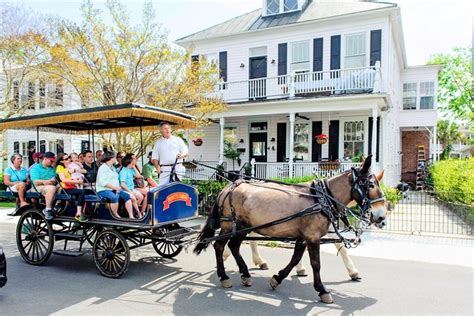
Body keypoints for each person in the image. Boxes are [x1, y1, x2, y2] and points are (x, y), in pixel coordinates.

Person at [96, 151, 134, 219]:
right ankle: (116, 215)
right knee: (114, 197)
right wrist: (114, 187)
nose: (115, 159)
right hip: (103, 190)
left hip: (114, 189)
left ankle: (131, 216)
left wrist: (122, 165)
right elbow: (102, 182)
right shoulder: (103, 168)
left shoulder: (112, 167)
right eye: (114, 157)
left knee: (127, 196)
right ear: (110, 158)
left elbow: (116, 172)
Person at [152, 122, 188, 187]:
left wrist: (181, 155)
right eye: (165, 128)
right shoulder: (158, 143)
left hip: (177, 168)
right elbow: (155, 157)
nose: (167, 130)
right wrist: (157, 167)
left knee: (177, 188)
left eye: (168, 128)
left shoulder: (178, 140)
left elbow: (186, 152)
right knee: (162, 189)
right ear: (161, 131)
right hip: (164, 169)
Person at [56, 153, 89, 222]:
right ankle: (78, 213)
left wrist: (75, 171)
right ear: (62, 161)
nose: (69, 159)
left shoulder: (72, 165)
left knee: (89, 191)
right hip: (66, 188)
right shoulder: (60, 168)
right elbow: (63, 180)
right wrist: (76, 181)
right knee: (81, 192)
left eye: (69, 158)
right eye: (66, 159)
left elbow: (84, 171)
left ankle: (87, 210)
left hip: (75, 186)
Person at [29, 152, 58, 220]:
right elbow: (35, 182)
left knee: (61, 187)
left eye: (53, 161)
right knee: (51, 188)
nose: (52, 162)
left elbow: (55, 179)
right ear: (45, 159)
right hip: (38, 187)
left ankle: (58, 206)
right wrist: (46, 182)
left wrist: (54, 181)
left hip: (50, 186)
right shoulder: (35, 168)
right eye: (51, 161)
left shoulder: (52, 169)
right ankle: (47, 209)